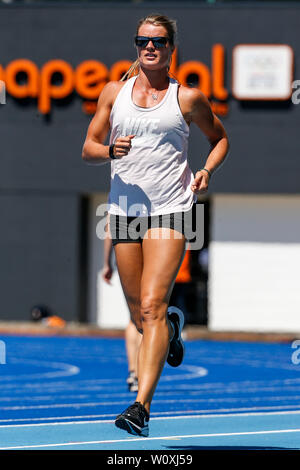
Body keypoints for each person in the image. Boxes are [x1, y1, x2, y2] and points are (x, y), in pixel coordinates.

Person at [82, 13, 229, 437]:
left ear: (171, 48)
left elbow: (219, 138)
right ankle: (172, 328)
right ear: (136, 45)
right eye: (143, 40)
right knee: (139, 315)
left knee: (151, 306)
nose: (150, 46)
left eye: (159, 41)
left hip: (171, 210)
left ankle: (140, 407)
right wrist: (110, 150)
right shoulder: (115, 92)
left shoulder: (187, 99)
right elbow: (88, 148)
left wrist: (206, 171)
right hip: (125, 211)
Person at [101, 217, 142, 392]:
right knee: (144, 316)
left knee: (135, 317)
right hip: (141, 250)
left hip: (128, 248)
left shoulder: (121, 195)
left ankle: (134, 372)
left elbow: (110, 227)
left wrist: (106, 263)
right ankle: (139, 372)